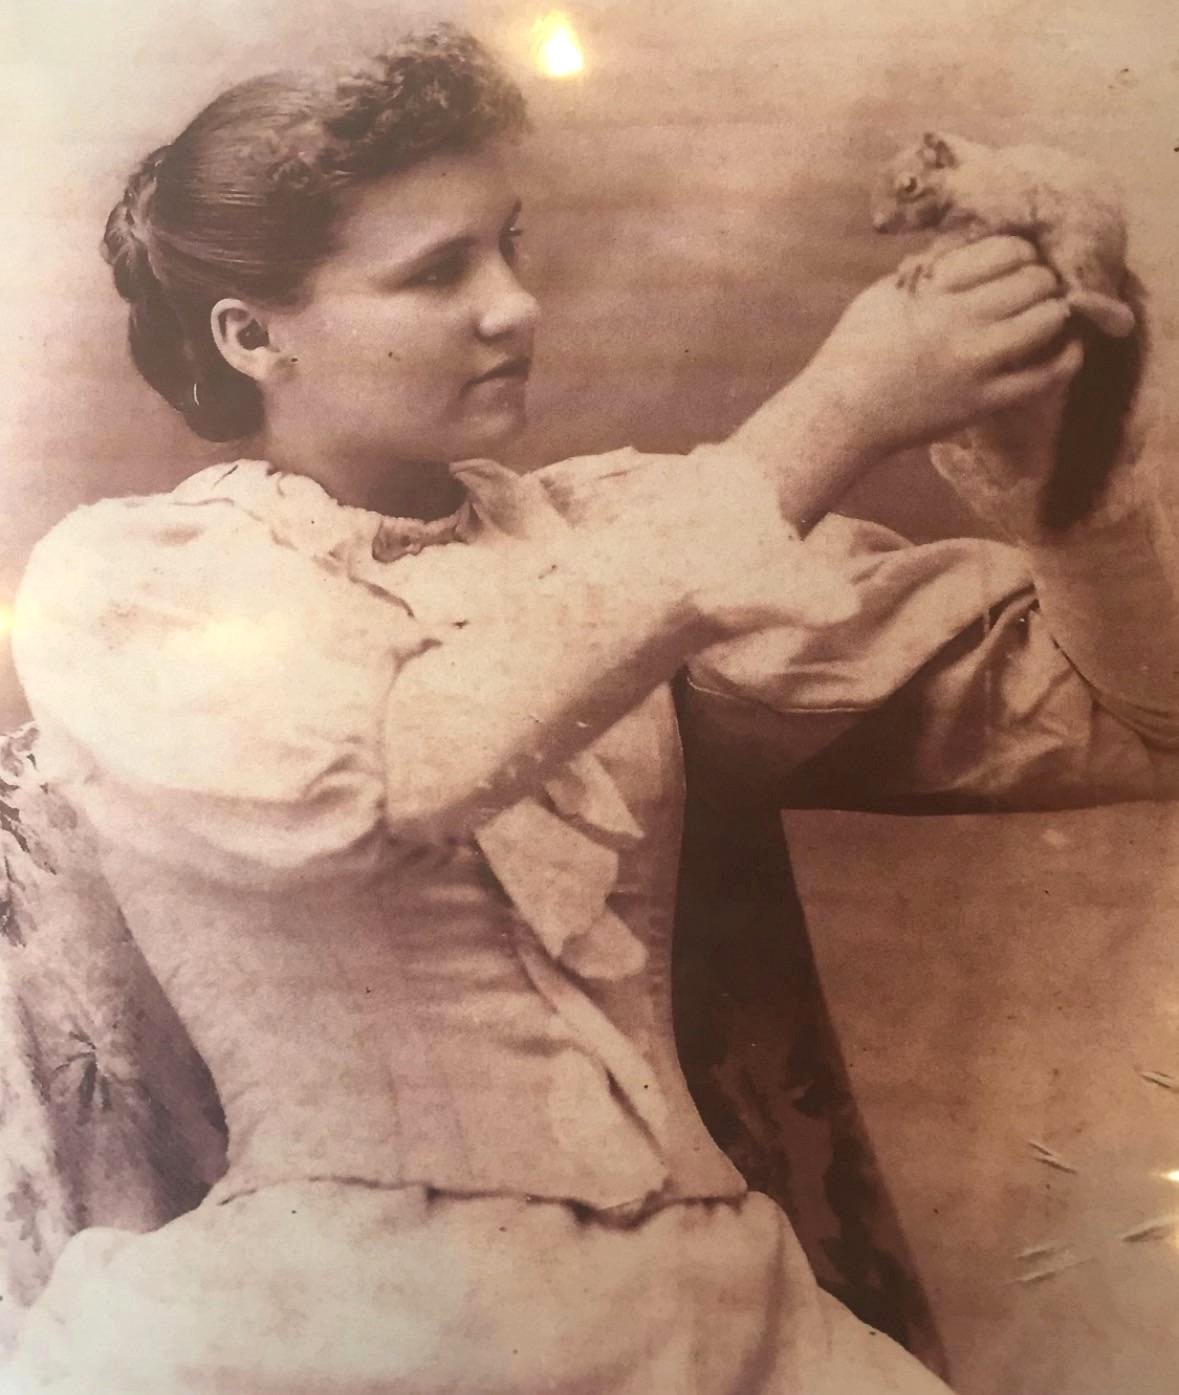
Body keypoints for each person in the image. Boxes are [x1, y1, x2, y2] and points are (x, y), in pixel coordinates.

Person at [4, 22, 1177, 1395]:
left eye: (510, 243)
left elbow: (1131, 723)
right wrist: (831, 415)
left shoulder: (617, 534)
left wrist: (1065, 483)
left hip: (726, 1319)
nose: (514, 304)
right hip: (349, 1320)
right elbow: (389, 780)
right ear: (252, 334)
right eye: (439, 270)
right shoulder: (137, 581)